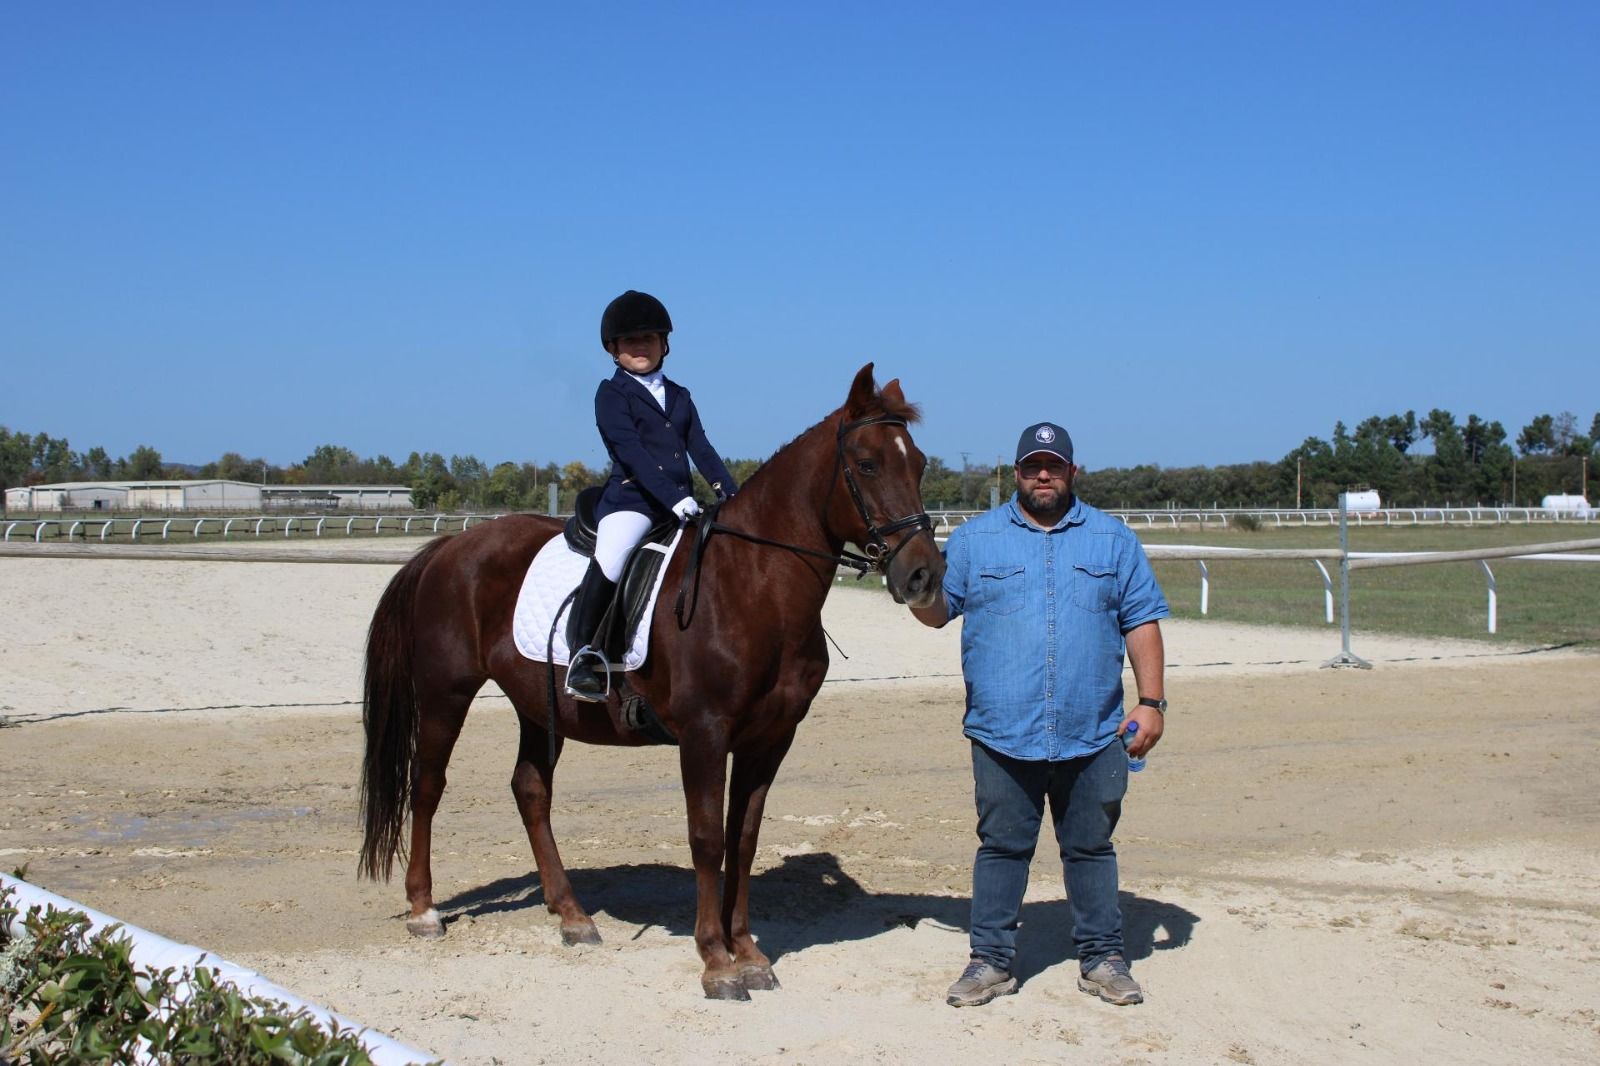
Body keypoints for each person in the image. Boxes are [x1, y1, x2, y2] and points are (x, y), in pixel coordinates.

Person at [912, 421, 1169, 1008]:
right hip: (1003, 732)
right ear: (1018, 473)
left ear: (1072, 471)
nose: (1043, 475)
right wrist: (915, 588)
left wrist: (1151, 703)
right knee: (1001, 847)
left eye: (1053, 466)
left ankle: (1103, 958)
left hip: (1095, 730)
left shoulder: (1113, 540)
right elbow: (938, 611)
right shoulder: (976, 541)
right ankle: (991, 961)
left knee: (1091, 848)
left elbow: (1141, 621)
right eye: (1033, 466)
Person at [564, 290, 738, 701]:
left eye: (648, 339)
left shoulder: (680, 395)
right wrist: (672, 496)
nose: (639, 348)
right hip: (633, 503)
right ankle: (585, 655)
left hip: (683, 504)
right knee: (613, 558)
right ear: (613, 349)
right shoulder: (611, 394)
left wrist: (730, 493)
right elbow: (632, 453)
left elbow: (702, 449)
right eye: (629, 342)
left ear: (664, 344)